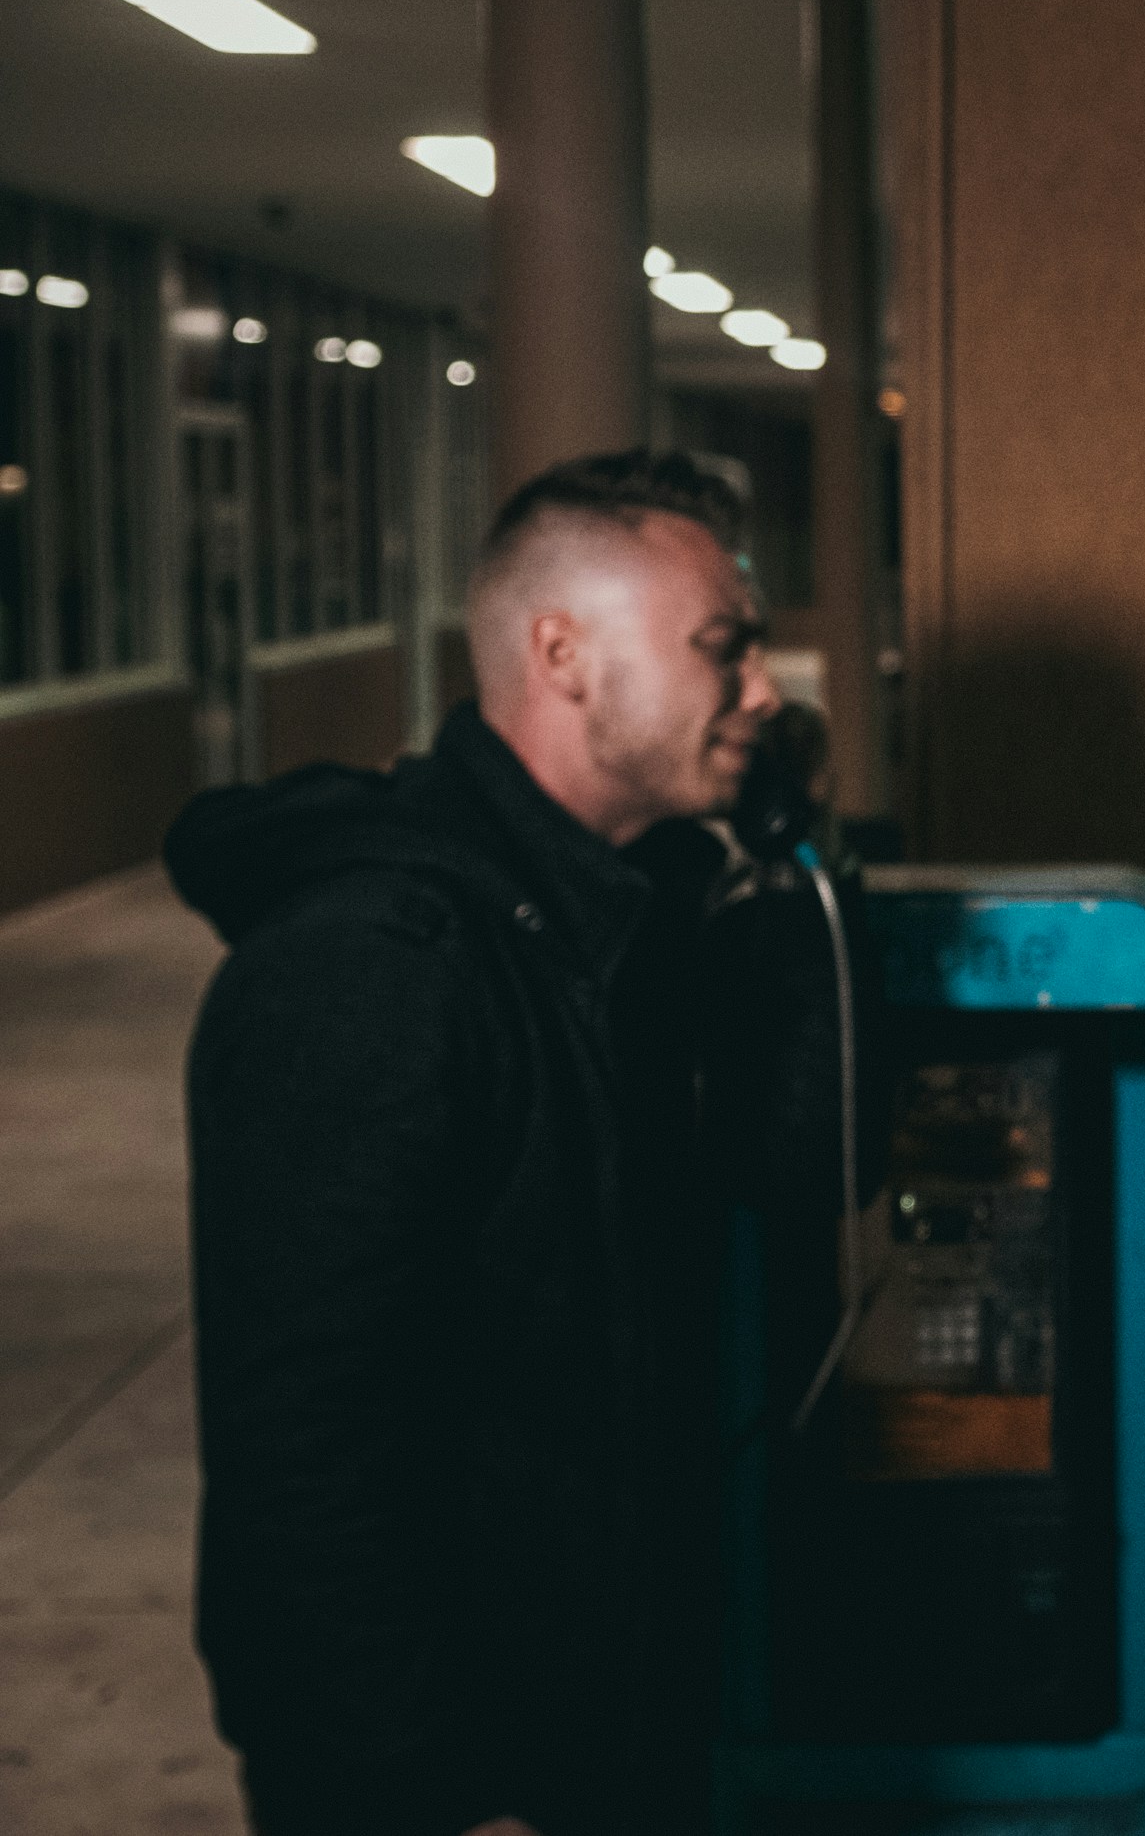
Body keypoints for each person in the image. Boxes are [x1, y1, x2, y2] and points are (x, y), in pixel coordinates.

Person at [168, 450, 786, 1835]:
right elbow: (303, 1451)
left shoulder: (614, 933)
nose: (764, 691)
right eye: (722, 647)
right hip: (458, 1772)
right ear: (561, 653)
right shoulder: (371, 967)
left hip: (611, 1712)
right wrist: (429, 1791)